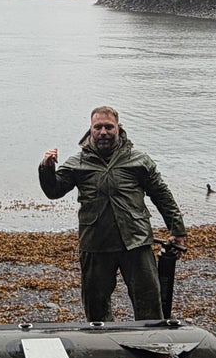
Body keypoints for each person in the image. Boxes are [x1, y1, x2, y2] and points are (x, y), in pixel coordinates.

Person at [37, 105, 188, 322]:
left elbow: (162, 195)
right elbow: (53, 191)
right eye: (98, 127)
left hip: (136, 241)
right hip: (95, 243)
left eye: (109, 127)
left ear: (119, 128)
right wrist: (46, 168)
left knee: (149, 304)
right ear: (90, 130)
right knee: (96, 308)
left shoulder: (139, 160)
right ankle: (102, 342)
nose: (103, 132)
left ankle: (151, 341)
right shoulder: (78, 163)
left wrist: (177, 230)